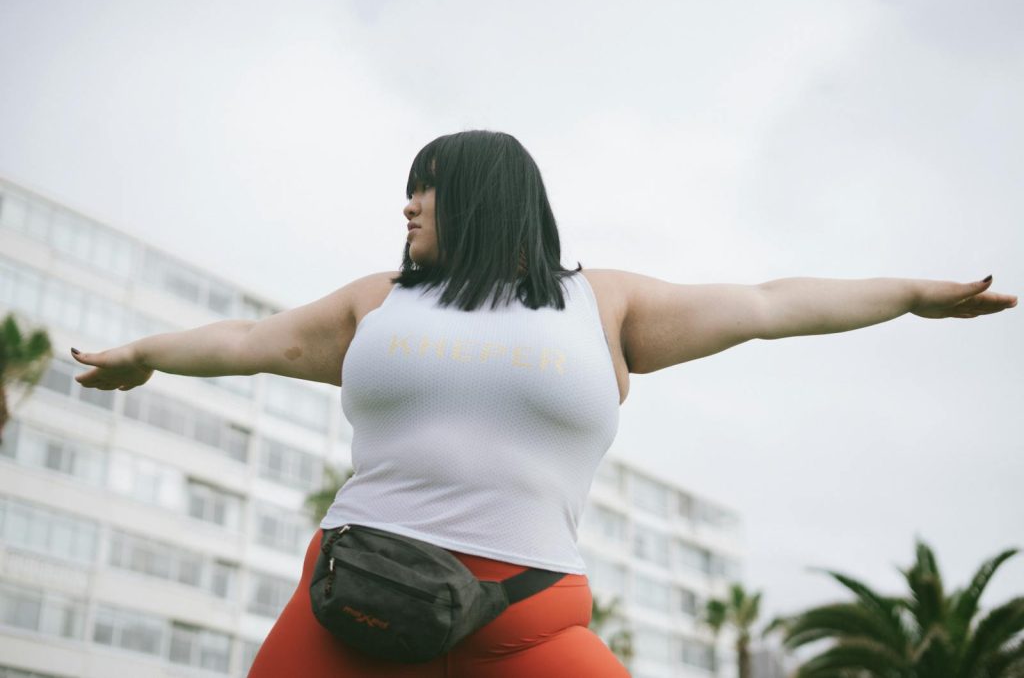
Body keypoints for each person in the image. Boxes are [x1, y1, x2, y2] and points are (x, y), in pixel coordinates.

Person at [71, 129, 1018, 677]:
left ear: (484, 195)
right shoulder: (376, 300)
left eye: (425, 189)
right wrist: (143, 356)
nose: (407, 207)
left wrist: (909, 294)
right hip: (352, 600)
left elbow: (768, 305)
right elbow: (249, 340)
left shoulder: (603, 302)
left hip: (525, 617)